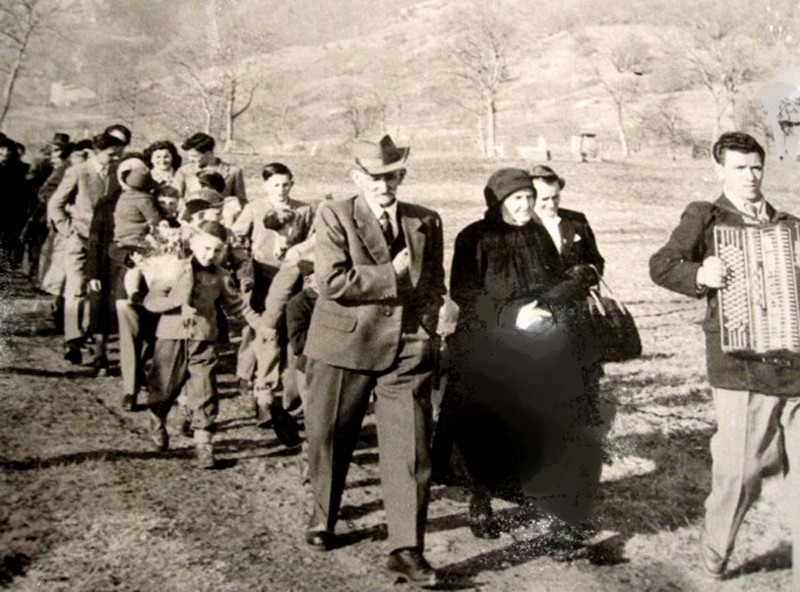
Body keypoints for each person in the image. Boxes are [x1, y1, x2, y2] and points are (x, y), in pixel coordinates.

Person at [650, 131, 800, 585]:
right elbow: (662, 265)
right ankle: (715, 555)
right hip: (741, 368)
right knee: (739, 474)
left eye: (756, 167)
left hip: (795, 365)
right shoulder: (706, 217)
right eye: (739, 168)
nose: (751, 176)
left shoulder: (790, 225)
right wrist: (700, 273)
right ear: (720, 170)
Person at [302, 135, 445, 586]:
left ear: (402, 175)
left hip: (406, 351)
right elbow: (332, 281)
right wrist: (392, 274)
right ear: (356, 177)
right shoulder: (334, 215)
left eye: (392, 176)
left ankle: (406, 548)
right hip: (345, 345)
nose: (384, 185)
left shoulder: (426, 220)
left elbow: (434, 284)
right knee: (329, 436)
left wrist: (425, 332)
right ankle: (324, 515)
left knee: (411, 450)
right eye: (374, 177)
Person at [445, 168, 601, 548]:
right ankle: (481, 497)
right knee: (487, 426)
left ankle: (555, 511)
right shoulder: (474, 237)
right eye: (517, 199)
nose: (526, 205)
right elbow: (464, 291)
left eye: (530, 197)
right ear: (498, 202)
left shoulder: (536, 234)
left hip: (538, 339)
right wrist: (511, 317)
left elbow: (555, 278)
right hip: (490, 341)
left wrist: (553, 301)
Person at [143, 220, 266, 469]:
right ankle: (157, 418)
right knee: (164, 388)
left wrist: (261, 325)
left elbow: (237, 305)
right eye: (206, 248)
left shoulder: (221, 276)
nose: (211, 255)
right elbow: (151, 301)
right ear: (194, 243)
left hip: (204, 340)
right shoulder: (174, 269)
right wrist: (177, 302)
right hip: (172, 336)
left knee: (204, 391)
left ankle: (204, 444)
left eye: (217, 250)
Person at [230, 163, 313, 425]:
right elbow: (236, 241)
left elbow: (312, 244)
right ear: (265, 185)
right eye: (276, 185)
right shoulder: (255, 208)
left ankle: (291, 399)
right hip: (262, 280)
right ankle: (263, 396)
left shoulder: (304, 210)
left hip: (295, 279)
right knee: (267, 337)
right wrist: (245, 267)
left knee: (291, 338)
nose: (281, 190)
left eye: (286, 184)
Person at [530, 164, 606, 426]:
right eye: (544, 200)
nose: (551, 204)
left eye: (556, 198)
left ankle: (588, 436)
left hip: (576, 312)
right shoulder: (522, 226)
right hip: (539, 313)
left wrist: (584, 273)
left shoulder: (576, 221)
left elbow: (596, 262)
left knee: (585, 374)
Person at [47, 131, 126, 364]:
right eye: (111, 154)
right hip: (79, 238)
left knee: (99, 292)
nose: (115, 159)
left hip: (104, 243)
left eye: (118, 155)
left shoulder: (117, 174)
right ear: (96, 152)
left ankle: (89, 335)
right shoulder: (78, 172)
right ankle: (73, 340)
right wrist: (67, 229)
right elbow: (55, 204)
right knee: (76, 289)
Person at [179, 133, 246, 201]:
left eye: (194, 156)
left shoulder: (234, 172)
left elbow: (241, 201)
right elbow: (177, 198)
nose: (190, 159)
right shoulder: (184, 171)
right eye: (189, 156)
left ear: (209, 154)